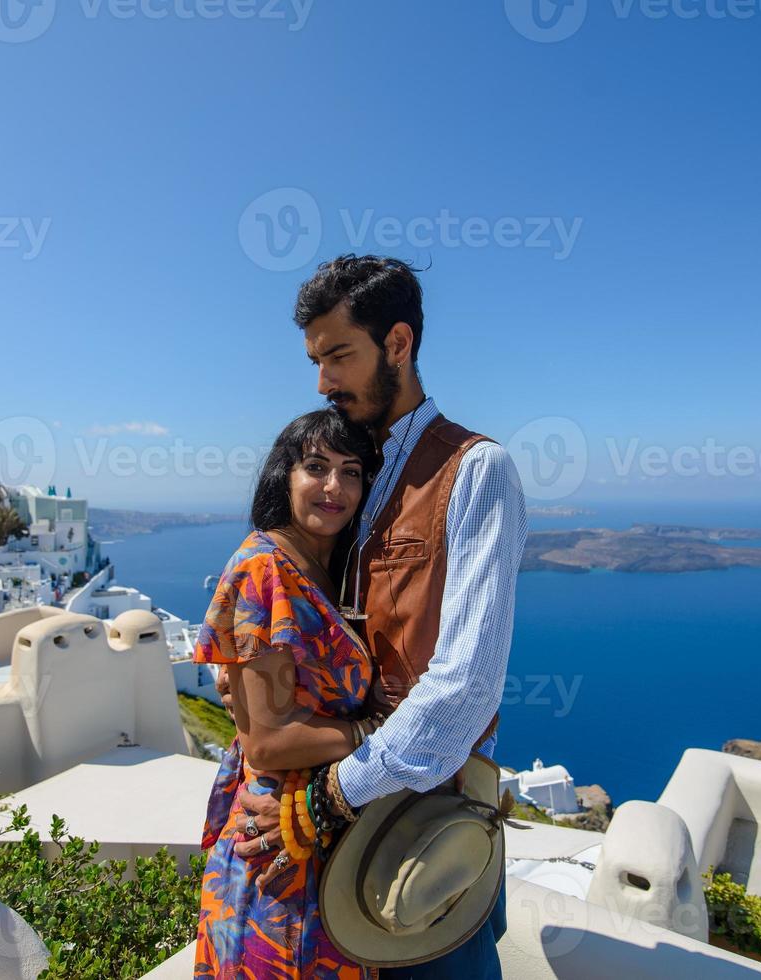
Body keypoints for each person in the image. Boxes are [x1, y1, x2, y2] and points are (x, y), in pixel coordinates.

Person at [219, 254, 528, 978]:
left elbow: (467, 685)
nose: (323, 380)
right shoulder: (349, 476)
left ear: (397, 344)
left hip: (419, 821)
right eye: (316, 360)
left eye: (338, 356)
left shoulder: (476, 470)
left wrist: (333, 795)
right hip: (341, 818)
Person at [192, 409, 382, 978]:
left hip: (321, 831)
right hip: (276, 854)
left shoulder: (333, 569)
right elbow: (269, 744)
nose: (334, 487)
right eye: (316, 467)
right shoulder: (264, 569)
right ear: (285, 476)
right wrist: (377, 736)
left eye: (351, 472)